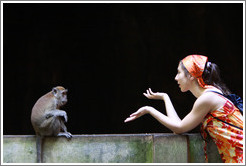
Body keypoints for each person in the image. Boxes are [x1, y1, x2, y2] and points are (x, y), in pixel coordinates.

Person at [124, 54, 243, 163]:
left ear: (191, 75)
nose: (176, 78)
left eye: (179, 72)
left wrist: (149, 109)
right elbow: (178, 127)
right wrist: (165, 98)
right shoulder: (212, 93)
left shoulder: (207, 98)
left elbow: (179, 128)